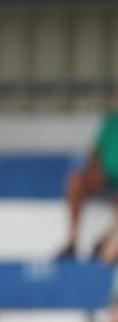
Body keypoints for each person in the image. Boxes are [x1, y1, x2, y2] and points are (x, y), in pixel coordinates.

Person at [58, 107, 118, 259]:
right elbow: (95, 153)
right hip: (106, 178)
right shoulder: (111, 122)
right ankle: (72, 241)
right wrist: (93, 169)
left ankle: (108, 240)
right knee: (76, 181)